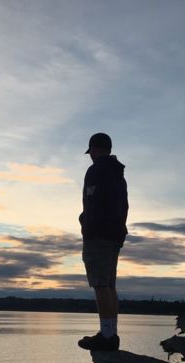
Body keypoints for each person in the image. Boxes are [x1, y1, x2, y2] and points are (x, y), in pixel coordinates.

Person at [77, 133, 128, 351]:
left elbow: (92, 203)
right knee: (109, 285)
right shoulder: (118, 175)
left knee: (100, 284)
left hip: (98, 235)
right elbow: (123, 207)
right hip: (114, 235)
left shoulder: (96, 170)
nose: (90, 156)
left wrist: (85, 223)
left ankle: (107, 336)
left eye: (91, 152)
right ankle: (110, 333)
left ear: (95, 149)